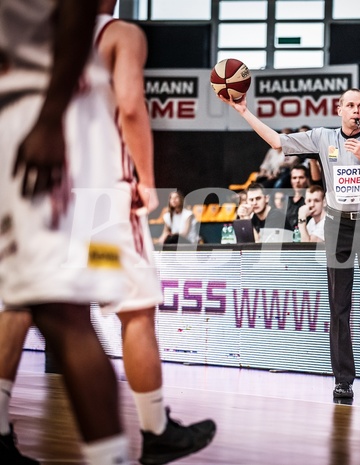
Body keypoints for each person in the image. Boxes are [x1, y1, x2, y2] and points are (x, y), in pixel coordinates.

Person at [2, 3, 217, 464]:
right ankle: (155, 429)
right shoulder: (120, 34)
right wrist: (145, 177)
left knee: (21, 304)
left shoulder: (30, 32)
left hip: (39, 188)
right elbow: (130, 106)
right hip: (99, 197)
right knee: (134, 309)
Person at [0, 1, 126, 463]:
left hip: (45, 127)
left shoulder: (120, 34)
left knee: (66, 309)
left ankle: (144, 432)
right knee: (21, 297)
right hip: (50, 135)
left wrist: (50, 117)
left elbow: (131, 110)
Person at [220, 88, 360, 399]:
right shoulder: (322, 137)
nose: (356, 110)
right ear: (339, 109)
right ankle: (343, 379)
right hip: (337, 224)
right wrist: (243, 112)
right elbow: (278, 142)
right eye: (350, 105)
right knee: (339, 305)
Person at [285, 165, 310, 230]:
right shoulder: (285, 199)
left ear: (307, 179)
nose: (297, 181)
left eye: (301, 177)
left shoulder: (311, 200)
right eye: (294, 178)